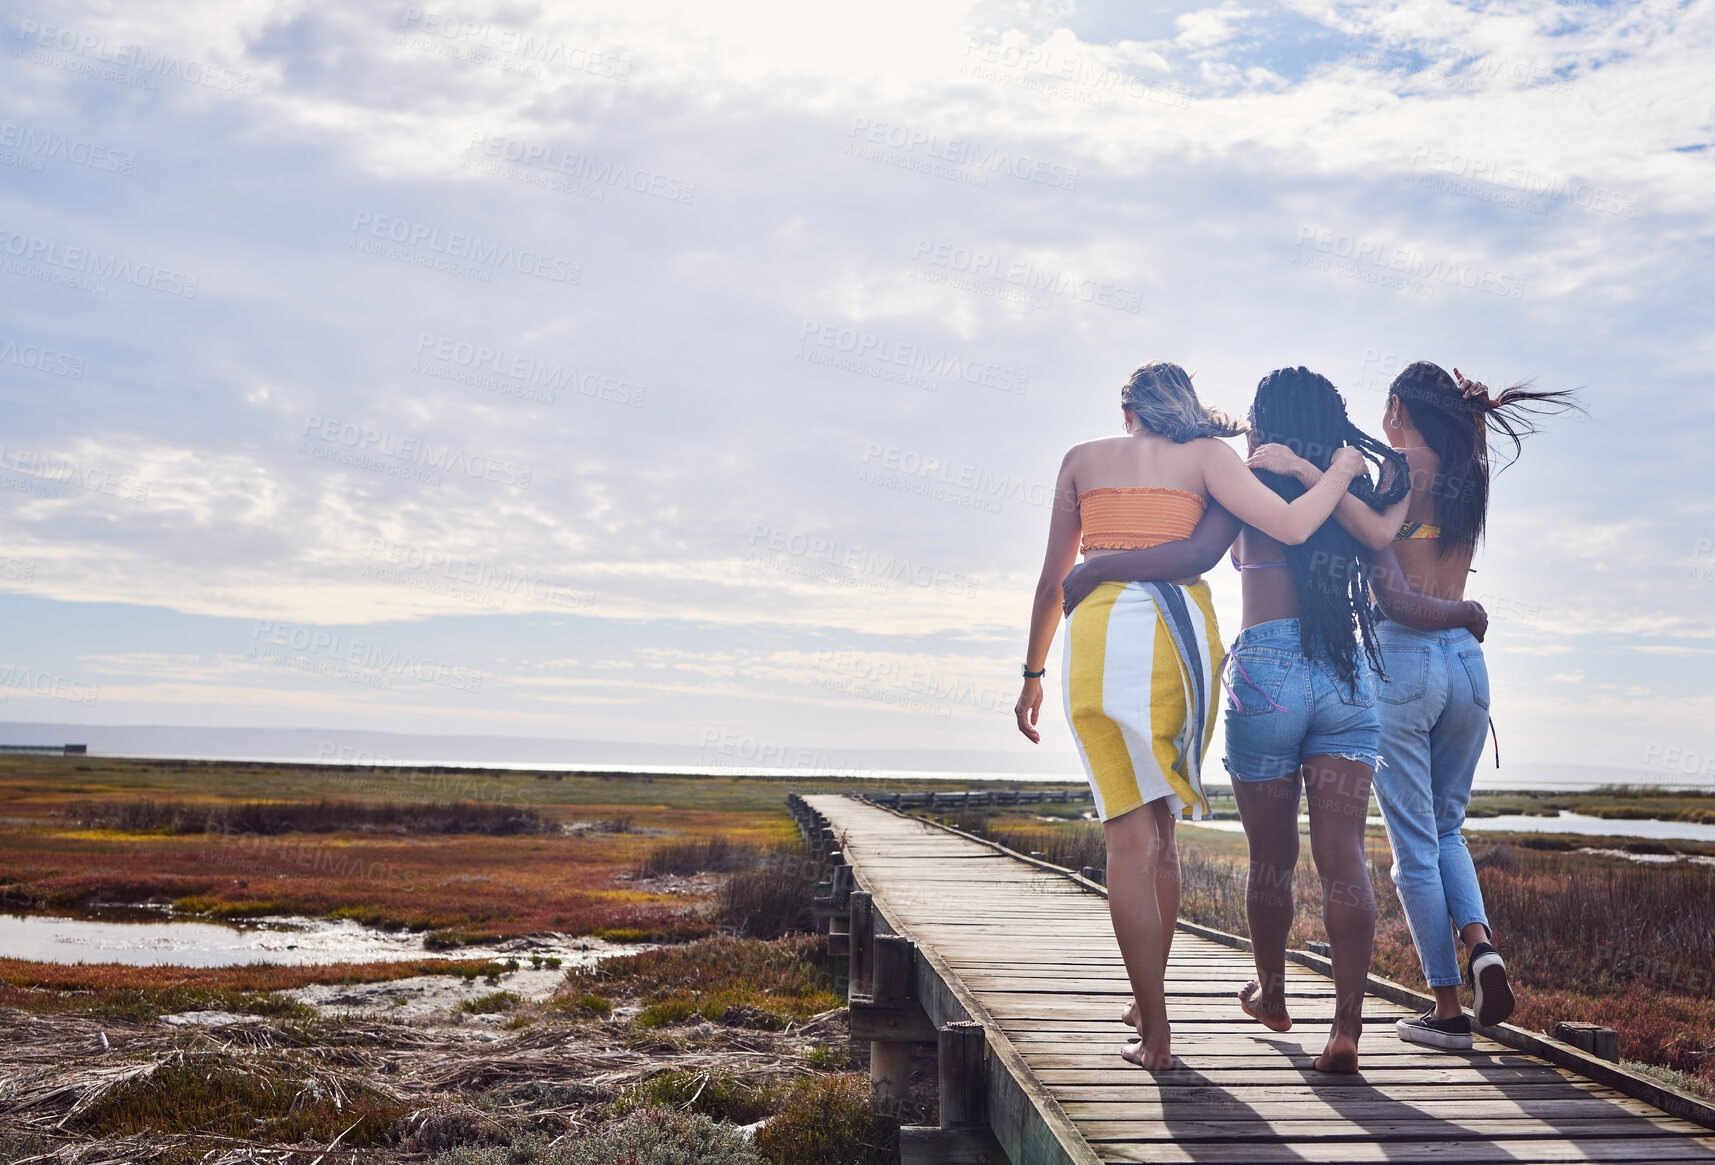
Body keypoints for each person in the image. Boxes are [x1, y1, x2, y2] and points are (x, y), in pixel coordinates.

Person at [1063, 366, 1418, 1073]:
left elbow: (1197, 550)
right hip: (1346, 674)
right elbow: (1380, 537)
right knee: (1343, 856)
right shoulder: (1356, 488)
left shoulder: (1253, 481)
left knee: (1271, 856)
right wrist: (1330, 469)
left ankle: (1273, 992)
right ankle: (1345, 1026)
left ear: (1267, 421)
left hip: (1268, 671)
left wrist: (1098, 563)